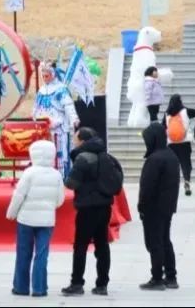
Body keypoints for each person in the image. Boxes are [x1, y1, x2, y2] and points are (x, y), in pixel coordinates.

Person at [62, 127, 120, 297]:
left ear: (82, 140)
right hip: (104, 206)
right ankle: (102, 284)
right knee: (102, 245)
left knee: (80, 246)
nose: (73, 139)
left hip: (87, 208)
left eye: (76, 137)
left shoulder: (83, 158)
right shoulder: (106, 156)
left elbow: (71, 183)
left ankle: (77, 283)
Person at [7, 140, 64, 298]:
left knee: (23, 252)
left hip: (26, 218)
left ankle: (21, 287)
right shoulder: (56, 174)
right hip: (47, 220)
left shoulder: (29, 173)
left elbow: (18, 195)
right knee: (42, 254)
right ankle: (39, 288)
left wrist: (11, 213)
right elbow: (60, 200)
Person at [137, 123, 180, 291]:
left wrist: (141, 206)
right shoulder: (170, 155)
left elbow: (147, 187)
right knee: (165, 240)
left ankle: (156, 278)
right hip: (167, 206)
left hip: (154, 207)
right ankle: (171, 276)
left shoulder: (154, 159)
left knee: (154, 242)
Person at [164, 95, 195, 197]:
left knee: (173, 165)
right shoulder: (186, 111)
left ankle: (172, 185)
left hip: (171, 143)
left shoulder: (167, 114)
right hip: (184, 142)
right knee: (186, 164)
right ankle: (187, 181)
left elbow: (162, 128)